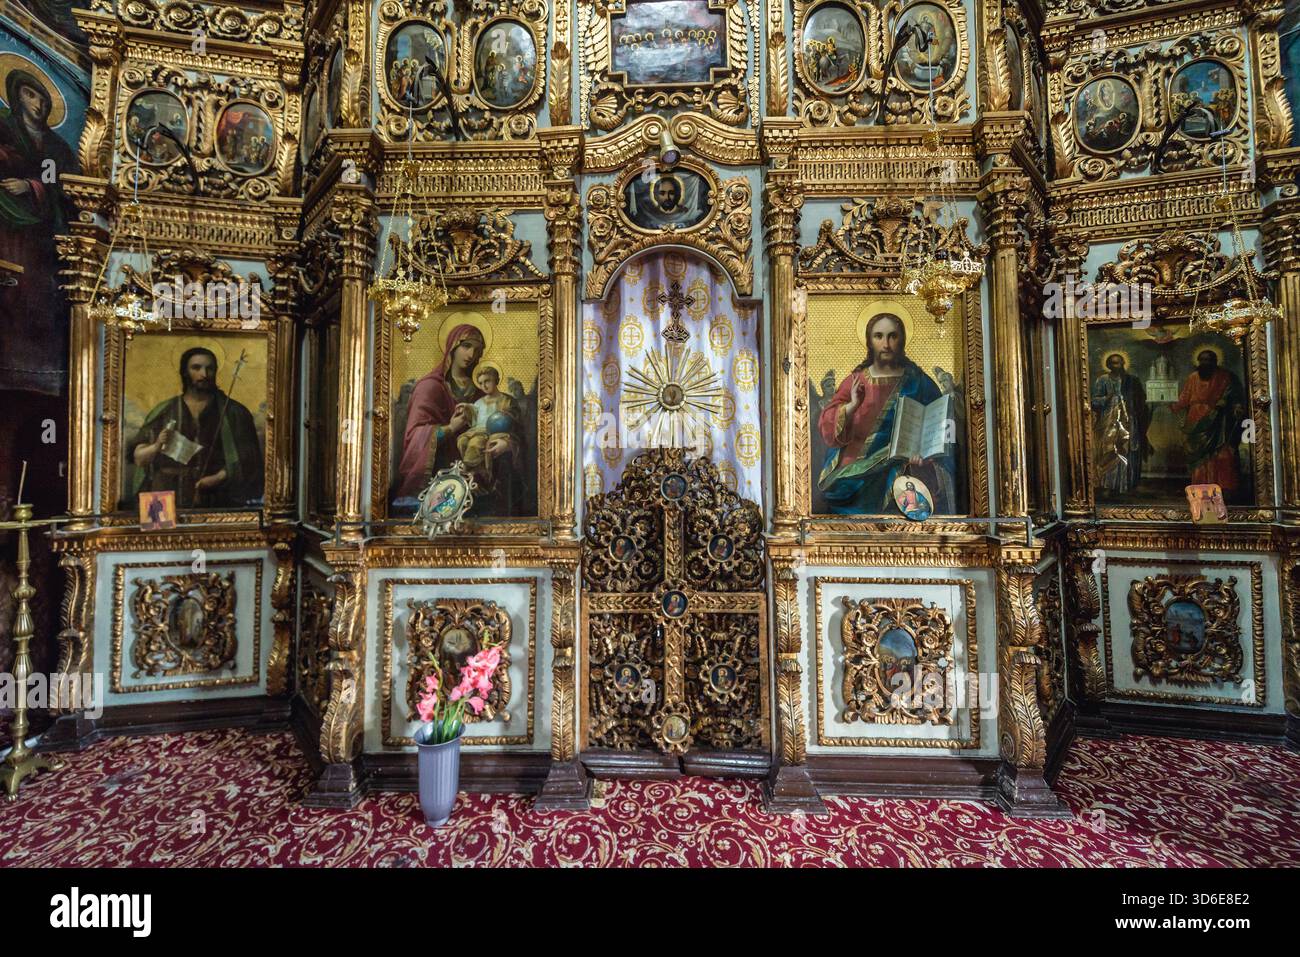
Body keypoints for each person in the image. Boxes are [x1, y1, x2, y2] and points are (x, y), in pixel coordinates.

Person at [817, 312, 955, 514]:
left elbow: (941, 427)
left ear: (902, 340)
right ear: (869, 341)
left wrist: (926, 455)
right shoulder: (855, 381)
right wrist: (852, 405)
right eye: (879, 336)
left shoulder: (919, 382)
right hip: (854, 471)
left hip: (905, 467)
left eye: (893, 336)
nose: (886, 344)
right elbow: (826, 425)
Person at [0, 66, 79, 396]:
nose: (39, 104)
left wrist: (32, 186)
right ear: (17, 96)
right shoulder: (4, 131)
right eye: (31, 95)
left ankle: (36, 373)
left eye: (44, 99)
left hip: (43, 241)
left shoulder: (58, 148)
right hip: (9, 234)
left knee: (37, 298)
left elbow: (71, 192)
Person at [127, 347, 264, 508]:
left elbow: (250, 460)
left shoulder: (235, 412)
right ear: (185, 372)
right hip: (165, 495)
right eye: (196, 368)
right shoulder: (164, 411)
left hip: (217, 497)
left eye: (209, 368)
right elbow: (138, 456)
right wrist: (156, 446)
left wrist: (219, 477)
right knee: (163, 534)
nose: (204, 374)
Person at [1172, 349, 1247, 497]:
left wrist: (1236, 406)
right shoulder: (1193, 377)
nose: (1205, 363)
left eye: (1209, 360)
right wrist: (1173, 406)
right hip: (1196, 420)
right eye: (1202, 360)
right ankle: (1200, 486)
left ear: (1215, 361)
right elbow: (1184, 398)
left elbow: (1237, 395)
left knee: (1222, 453)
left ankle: (1224, 486)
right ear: (1198, 362)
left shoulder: (1226, 377)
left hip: (1220, 420)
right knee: (1199, 456)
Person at [1090, 353, 1150, 495]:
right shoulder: (1103, 380)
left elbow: (1141, 399)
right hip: (1109, 421)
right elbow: (1094, 401)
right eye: (1113, 363)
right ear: (1109, 365)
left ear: (1123, 363)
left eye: (1119, 363)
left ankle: (1127, 484)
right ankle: (1109, 485)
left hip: (1129, 420)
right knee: (1110, 449)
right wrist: (1108, 398)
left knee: (1128, 449)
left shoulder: (1132, 380)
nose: (1116, 366)